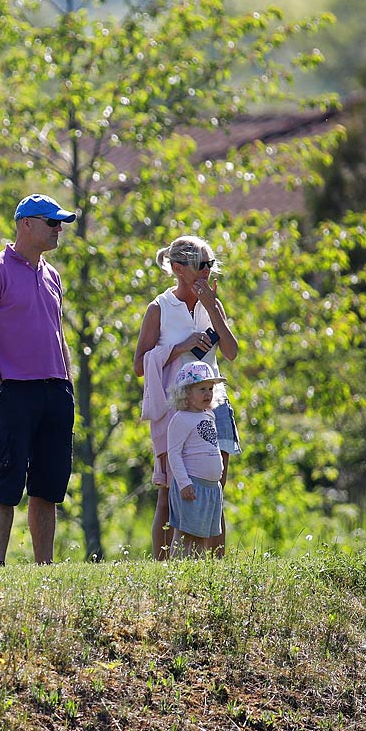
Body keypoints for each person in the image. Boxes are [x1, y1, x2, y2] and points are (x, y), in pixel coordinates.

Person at [0, 195, 77, 566]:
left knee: (48, 487)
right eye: (52, 222)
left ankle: (43, 567)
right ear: (26, 224)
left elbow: (58, 333)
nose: (58, 229)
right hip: (14, 391)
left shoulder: (52, 274)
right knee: (6, 483)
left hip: (55, 390)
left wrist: (68, 383)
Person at [132, 234, 240, 560]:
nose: (207, 272)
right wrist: (179, 347)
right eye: (200, 266)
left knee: (215, 489)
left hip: (214, 404)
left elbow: (232, 352)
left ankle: (216, 569)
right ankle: (162, 567)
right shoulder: (160, 308)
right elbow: (139, 365)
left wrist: (212, 309)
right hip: (176, 410)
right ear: (178, 268)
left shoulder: (213, 305)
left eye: (210, 264)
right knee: (169, 492)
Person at [163, 361, 228, 557]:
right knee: (185, 534)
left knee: (202, 536)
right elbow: (173, 453)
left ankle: (196, 570)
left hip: (209, 487)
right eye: (201, 389)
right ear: (186, 393)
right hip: (192, 485)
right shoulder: (181, 419)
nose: (207, 393)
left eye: (210, 389)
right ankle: (176, 569)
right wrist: (184, 483)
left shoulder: (208, 416)